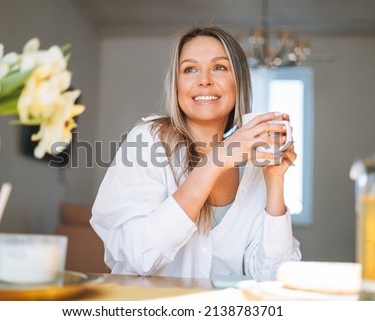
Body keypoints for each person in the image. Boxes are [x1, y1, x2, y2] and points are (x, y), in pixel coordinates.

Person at [90, 26, 301, 280]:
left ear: (239, 81)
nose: (204, 80)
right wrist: (215, 162)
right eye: (190, 69)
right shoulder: (149, 140)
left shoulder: (254, 164)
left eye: (220, 67)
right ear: (176, 84)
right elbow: (139, 257)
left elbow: (274, 276)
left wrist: (275, 181)